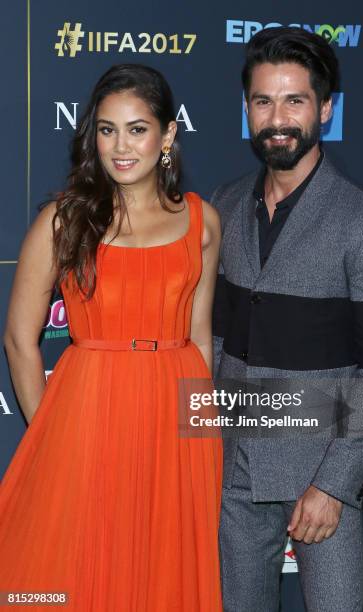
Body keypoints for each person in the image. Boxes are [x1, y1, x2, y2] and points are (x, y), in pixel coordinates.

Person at [0, 63, 223, 611]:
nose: (121, 146)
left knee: (164, 575)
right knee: (75, 571)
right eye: (106, 129)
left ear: (167, 135)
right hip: (89, 414)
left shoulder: (202, 221)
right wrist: (50, 430)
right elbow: (18, 339)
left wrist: (201, 439)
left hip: (178, 423)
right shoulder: (64, 221)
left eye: (137, 129)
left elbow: (200, 334)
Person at [211, 27, 363, 612]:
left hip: (321, 478)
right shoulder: (222, 205)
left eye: (294, 100)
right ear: (246, 108)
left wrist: (334, 485)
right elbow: (215, 335)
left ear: (325, 108)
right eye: (263, 101)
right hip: (231, 469)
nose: (278, 118)